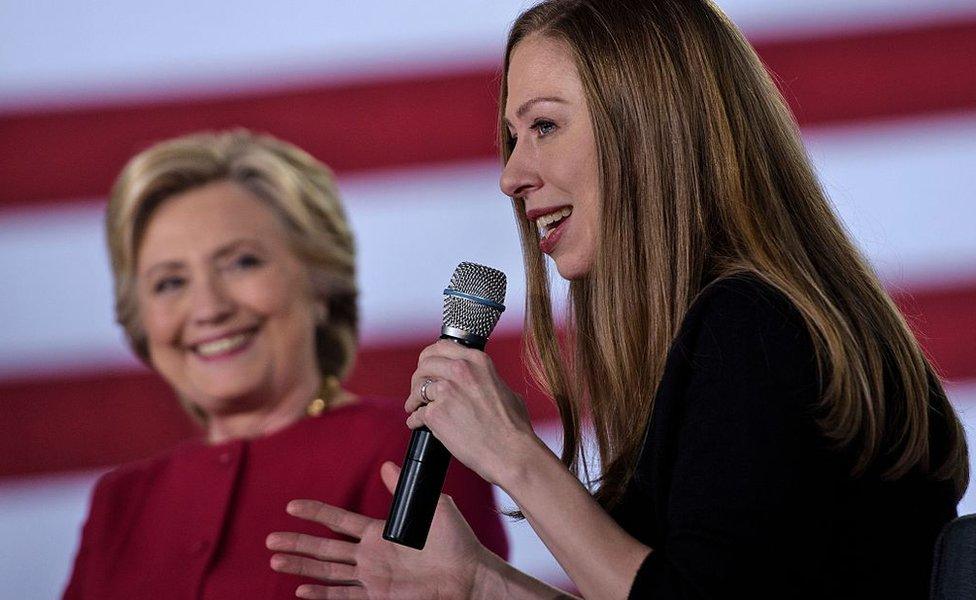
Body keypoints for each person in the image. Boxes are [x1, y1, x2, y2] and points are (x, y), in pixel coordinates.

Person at [265, 1, 969, 598]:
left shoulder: (753, 324)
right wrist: (479, 584)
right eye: (513, 138)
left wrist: (515, 457)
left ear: (651, 126)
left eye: (544, 126)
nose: (511, 176)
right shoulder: (741, 324)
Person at [62, 130, 508, 599]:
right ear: (140, 319)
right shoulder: (120, 500)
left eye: (242, 263)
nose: (208, 308)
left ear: (319, 283)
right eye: (170, 283)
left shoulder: (415, 443)